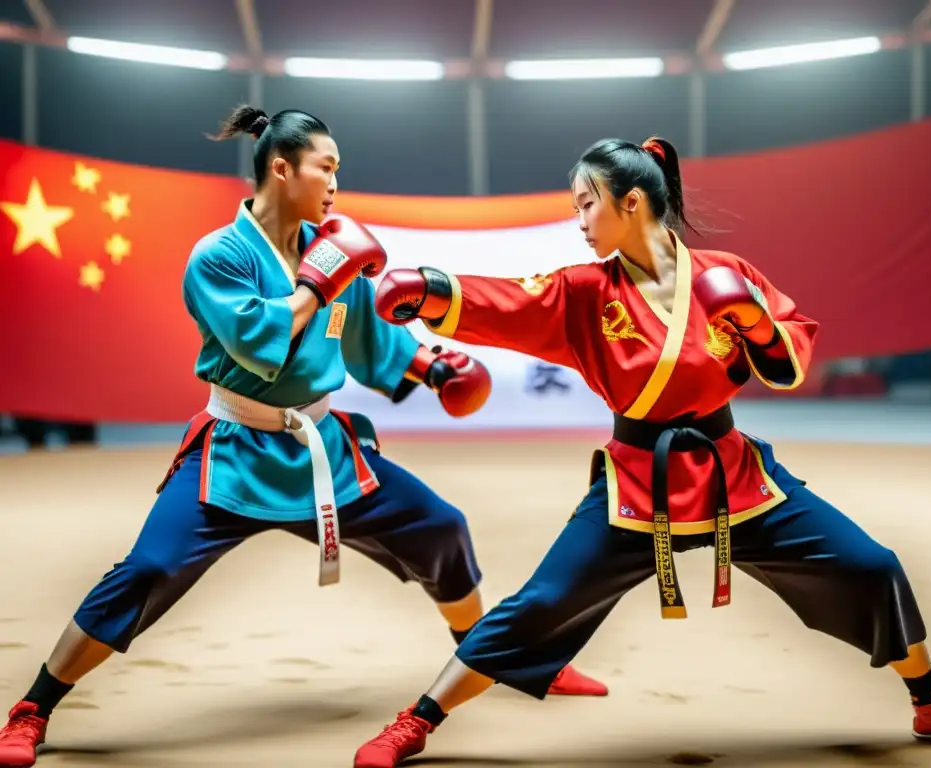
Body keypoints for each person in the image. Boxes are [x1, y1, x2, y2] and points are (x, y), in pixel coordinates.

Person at [351, 136, 931, 767]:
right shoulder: (586, 290)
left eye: (586, 202)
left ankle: (930, 699)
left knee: (870, 565)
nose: (578, 219)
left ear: (631, 201)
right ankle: (419, 719)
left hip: (734, 475)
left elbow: (784, 369)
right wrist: (433, 288)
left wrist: (753, 322)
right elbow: (511, 301)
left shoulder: (727, 275)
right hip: (637, 486)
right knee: (541, 603)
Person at [0, 106, 607, 768]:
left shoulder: (333, 247)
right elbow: (260, 341)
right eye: (327, 166)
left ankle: (503, 660)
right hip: (234, 453)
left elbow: (371, 336)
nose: (335, 182)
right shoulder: (221, 256)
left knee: (441, 527)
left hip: (323, 451)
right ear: (282, 168)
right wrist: (320, 280)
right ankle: (34, 707)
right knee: (147, 569)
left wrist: (431, 366)